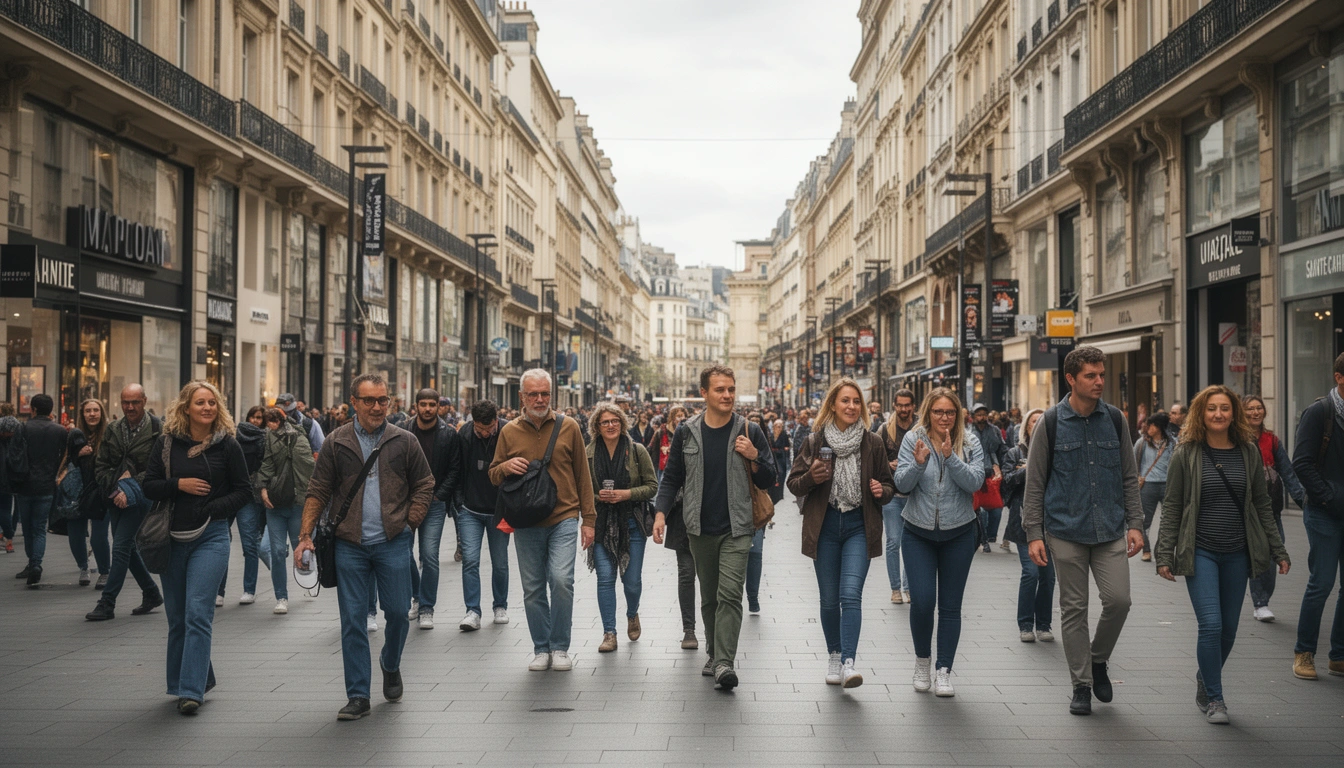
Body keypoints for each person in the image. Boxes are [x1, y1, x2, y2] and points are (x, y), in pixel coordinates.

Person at [293, 373, 435, 720]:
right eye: (369, 400)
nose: (376, 407)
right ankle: (358, 694)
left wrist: (409, 523)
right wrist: (305, 535)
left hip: (393, 541)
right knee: (353, 620)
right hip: (349, 544)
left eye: (382, 400)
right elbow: (318, 489)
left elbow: (425, 483)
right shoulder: (336, 442)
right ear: (353, 402)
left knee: (398, 613)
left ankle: (390, 662)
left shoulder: (404, 440)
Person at [1155, 385, 1289, 724]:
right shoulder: (1186, 452)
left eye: (1225, 408)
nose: (1218, 414)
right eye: (1212, 408)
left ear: (1234, 413)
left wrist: (1278, 549)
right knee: (1211, 625)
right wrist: (1164, 554)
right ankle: (1215, 698)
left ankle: (1205, 677)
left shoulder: (1248, 451)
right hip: (1200, 551)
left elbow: (1262, 503)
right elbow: (1172, 505)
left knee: (1228, 630)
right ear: (1201, 413)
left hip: (1238, 552)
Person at [1022, 346, 1144, 716]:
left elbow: (1128, 476)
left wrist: (1136, 524)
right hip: (1065, 529)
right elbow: (1035, 483)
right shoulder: (1051, 423)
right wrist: (1033, 533)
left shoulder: (1116, 420)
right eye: (1091, 375)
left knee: (1119, 601)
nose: (1099, 381)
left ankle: (1098, 659)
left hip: (1109, 528)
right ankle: (1081, 685)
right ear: (1071, 379)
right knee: (1074, 609)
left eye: (1102, 374)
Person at [652, 365, 776, 691]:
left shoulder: (749, 430)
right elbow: (672, 478)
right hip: (699, 528)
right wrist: (660, 514)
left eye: (731, 389)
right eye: (720, 389)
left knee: (730, 595)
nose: (727, 395)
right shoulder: (687, 432)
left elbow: (770, 478)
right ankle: (713, 652)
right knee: (709, 597)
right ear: (704, 393)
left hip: (738, 527)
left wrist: (754, 457)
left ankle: (724, 663)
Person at [142, 381, 253, 715]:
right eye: (200, 403)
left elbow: (243, 491)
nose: (207, 408)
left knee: (198, 614)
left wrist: (212, 509)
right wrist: (179, 484)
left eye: (212, 403)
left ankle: (191, 692)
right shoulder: (166, 443)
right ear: (186, 408)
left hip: (211, 537)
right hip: (172, 539)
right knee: (177, 618)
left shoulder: (227, 444)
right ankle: (187, 680)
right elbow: (149, 486)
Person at [788, 379, 894, 688]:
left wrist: (881, 490)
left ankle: (848, 662)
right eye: (845, 401)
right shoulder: (815, 441)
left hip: (859, 525)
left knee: (850, 595)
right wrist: (811, 477)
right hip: (825, 526)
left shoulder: (873, 443)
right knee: (829, 600)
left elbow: (889, 485)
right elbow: (794, 484)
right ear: (833, 405)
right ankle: (834, 655)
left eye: (856, 401)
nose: (851, 406)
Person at [489, 369, 595, 672]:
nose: (539, 399)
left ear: (552, 395)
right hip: (525, 520)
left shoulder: (569, 426)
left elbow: (582, 475)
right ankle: (541, 648)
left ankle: (560, 646)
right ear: (522, 397)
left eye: (545, 393)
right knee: (533, 587)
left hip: (564, 515)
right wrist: (506, 466)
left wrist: (589, 519)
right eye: (533, 394)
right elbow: (493, 474)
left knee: (561, 580)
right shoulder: (509, 431)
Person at [894, 387, 984, 697]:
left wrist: (951, 458)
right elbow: (901, 484)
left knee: (950, 606)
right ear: (928, 413)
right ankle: (922, 662)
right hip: (918, 532)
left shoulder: (969, 442)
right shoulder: (913, 439)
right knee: (922, 602)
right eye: (938, 412)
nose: (944, 418)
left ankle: (943, 670)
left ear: (958, 414)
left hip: (959, 532)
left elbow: (975, 482)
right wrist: (919, 463)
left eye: (950, 412)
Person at [85, 385, 164, 620]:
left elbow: (159, 468)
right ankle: (151, 592)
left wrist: (130, 486)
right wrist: (117, 487)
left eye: (135, 402)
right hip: (115, 496)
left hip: (142, 496)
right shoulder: (113, 429)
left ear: (144, 401)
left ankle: (107, 602)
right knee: (127, 547)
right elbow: (102, 465)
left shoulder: (157, 429)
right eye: (125, 402)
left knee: (120, 546)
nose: (130, 407)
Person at [586, 403, 659, 653]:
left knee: (631, 581)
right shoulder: (588, 454)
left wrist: (626, 494)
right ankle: (609, 633)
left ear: (622, 423)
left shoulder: (637, 451)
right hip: (602, 524)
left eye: (615, 421)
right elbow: (581, 491)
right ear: (597, 426)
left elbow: (652, 486)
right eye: (605, 422)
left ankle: (632, 613)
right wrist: (599, 497)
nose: (611, 425)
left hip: (632, 523)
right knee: (605, 579)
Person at [1289, 352, 1344, 681]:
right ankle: (1304, 651)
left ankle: (1339, 655)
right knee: (1321, 583)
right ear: (1339, 377)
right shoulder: (1319, 412)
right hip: (1324, 511)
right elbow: (1301, 462)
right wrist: (1329, 498)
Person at [1241, 395, 1304, 623]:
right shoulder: (1236, 439)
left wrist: (1303, 501)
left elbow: (1287, 472)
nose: (1255, 412)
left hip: (1271, 509)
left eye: (1259, 408)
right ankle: (1260, 603)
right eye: (1250, 409)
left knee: (1273, 554)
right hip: (1246, 510)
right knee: (1256, 555)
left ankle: (1262, 600)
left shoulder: (1272, 440)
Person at [406, 389, 461, 630]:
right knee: (403, 553)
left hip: (434, 503)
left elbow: (455, 468)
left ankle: (426, 608)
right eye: (423, 404)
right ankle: (416, 597)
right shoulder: (404, 430)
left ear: (438, 406)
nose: (427, 409)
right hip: (406, 503)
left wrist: (440, 495)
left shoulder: (448, 434)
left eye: (432, 404)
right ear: (416, 406)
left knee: (429, 556)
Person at [454, 399, 511, 630]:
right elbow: (458, 469)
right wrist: (459, 502)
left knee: (500, 562)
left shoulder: (508, 431)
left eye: (489, 428)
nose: (485, 433)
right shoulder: (465, 434)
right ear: (473, 422)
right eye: (480, 429)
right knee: (470, 560)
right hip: (470, 510)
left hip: (500, 510)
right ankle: (472, 611)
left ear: (496, 420)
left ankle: (500, 606)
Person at [1002, 408, 1054, 643]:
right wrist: (1027, 470)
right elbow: (1007, 481)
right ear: (1026, 426)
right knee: (1031, 572)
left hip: (1051, 522)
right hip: (1024, 520)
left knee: (1048, 577)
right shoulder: (1015, 453)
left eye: (1042, 421)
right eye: (1034, 421)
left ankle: (1043, 624)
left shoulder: (1055, 451)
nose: (1038, 424)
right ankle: (1025, 624)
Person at [257, 407, 315, 615]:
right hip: (276, 502)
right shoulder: (268, 438)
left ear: (282, 420)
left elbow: (308, 467)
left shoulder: (299, 436)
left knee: (301, 548)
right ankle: (281, 596)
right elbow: (266, 464)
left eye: (273, 421)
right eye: (267, 421)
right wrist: (263, 488)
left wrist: (311, 497)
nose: (270, 425)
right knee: (277, 552)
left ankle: (307, 580)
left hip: (297, 503)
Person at [8, 393, 67, 587]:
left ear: (32, 409)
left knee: (27, 527)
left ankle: (31, 563)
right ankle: (36, 563)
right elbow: (65, 456)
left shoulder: (23, 428)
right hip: (47, 485)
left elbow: (13, 455)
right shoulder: (59, 430)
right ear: (51, 410)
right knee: (40, 527)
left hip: (25, 484)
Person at [655, 406, 700, 650]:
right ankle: (689, 629)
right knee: (686, 573)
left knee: (711, 578)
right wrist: (660, 513)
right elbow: (669, 478)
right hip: (683, 516)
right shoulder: (682, 435)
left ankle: (714, 630)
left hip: (712, 518)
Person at [220, 405, 270, 606]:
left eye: (259, 418)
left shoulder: (264, 439)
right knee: (221, 543)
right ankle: (219, 591)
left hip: (249, 496)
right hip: (229, 494)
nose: (256, 421)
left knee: (249, 544)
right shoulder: (233, 436)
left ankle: (249, 590)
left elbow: (266, 467)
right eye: (253, 417)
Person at [66, 399, 112, 588]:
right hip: (77, 492)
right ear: (82, 414)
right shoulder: (74, 435)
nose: (92, 414)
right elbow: (64, 461)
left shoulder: (109, 435)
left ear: (101, 413)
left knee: (98, 536)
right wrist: (78, 455)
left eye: (95, 410)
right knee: (75, 534)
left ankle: (104, 572)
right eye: (88, 411)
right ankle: (83, 567)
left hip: (101, 492)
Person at [880, 389, 916, 604]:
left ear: (913, 406)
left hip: (916, 495)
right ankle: (895, 589)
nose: (904, 409)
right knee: (893, 541)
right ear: (894, 405)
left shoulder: (920, 428)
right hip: (892, 494)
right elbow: (874, 459)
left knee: (911, 543)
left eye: (907, 405)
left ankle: (908, 587)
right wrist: (887, 464)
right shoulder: (885, 429)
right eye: (900, 405)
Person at [1134, 411, 1174, 562]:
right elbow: (1133, 462)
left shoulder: (1172, 443)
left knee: (1168, 520)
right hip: (1148, 485)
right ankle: (1146, 550)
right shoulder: (1142, 443)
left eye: (1151, 425)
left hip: (1168, 485)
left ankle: (1160, 549)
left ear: (1159, 427)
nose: (1148, 428)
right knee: (1145, 520)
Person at [970, 403, 1007, 553]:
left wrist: (1002, 466)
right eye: (979, 415)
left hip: (991, 471)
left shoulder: (994, 430)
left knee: (996, 507)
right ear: (973, 416)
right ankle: (983, 539)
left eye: (984, 414)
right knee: (979, 509)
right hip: (974, 471)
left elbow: (1001, 449)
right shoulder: (968, 431)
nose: (982, 417)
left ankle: (991, 535)